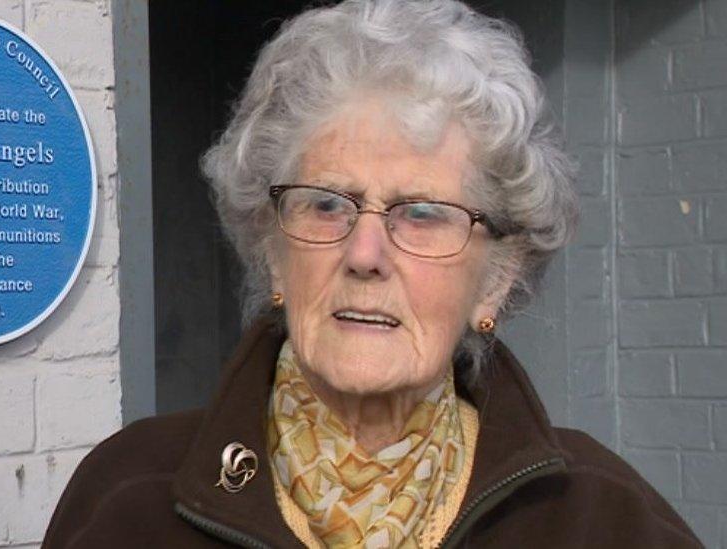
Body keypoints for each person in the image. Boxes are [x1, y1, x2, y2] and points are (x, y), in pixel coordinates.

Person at [43, 1, 701, 547]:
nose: (364, 253)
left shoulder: (602, 519)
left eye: (422, 214)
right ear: (274, 251)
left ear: (497, 278)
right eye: (327, 203)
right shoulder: (129, 499)